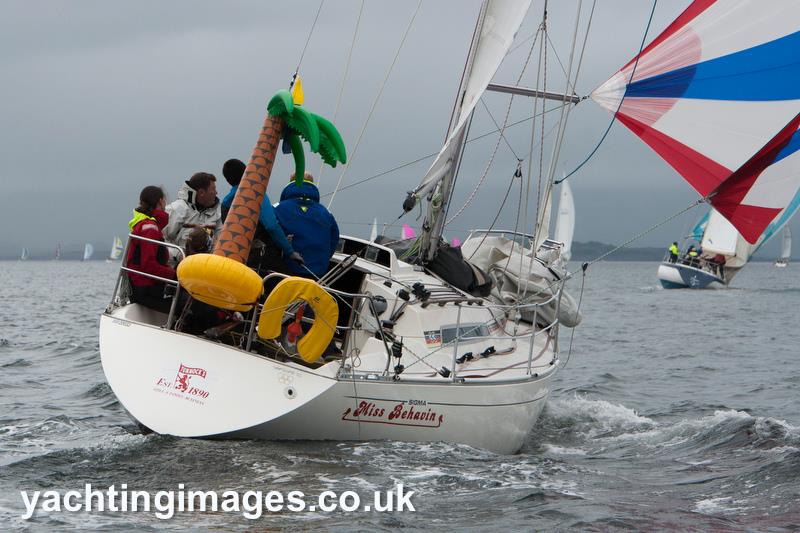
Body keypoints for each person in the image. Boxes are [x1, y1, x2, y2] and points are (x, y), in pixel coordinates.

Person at [220, 158, 303, 273]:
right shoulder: (256, 193)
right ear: (247, 172)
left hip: (237, 259)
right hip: (262, 256)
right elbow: (271, 226)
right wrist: (290, 251)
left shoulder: (225, 203)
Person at [275, 172, 339, 278]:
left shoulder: (277, 208)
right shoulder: (326, 213)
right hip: (316, 273)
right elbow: (334, 239)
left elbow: (270, 230)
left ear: (291, 183)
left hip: (284, 271)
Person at [127, 186, 177, 313]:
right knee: (187, 308)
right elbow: (148, 265)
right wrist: (175, 275)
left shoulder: (143, 224)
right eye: (165, 201)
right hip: (145, 289)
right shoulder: (150, 227)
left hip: (140, 286)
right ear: (160, 201)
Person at [164, 172, 222, 248]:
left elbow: (222, 242)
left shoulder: (218, 213)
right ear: (201, 193)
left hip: (209, 259)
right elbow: (162, 243)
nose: (216, 193)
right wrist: (180, 255)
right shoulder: (176, 210)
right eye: (213, 189)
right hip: (181, 259)